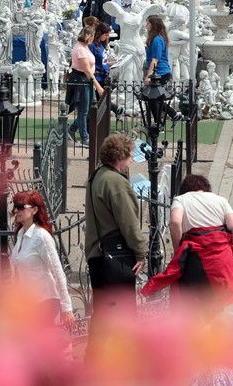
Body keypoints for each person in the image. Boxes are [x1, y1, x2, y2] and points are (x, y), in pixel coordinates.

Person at [84, 134, 147, 355]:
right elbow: (128, 222)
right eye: (130, 156)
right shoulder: (116, 182)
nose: (131, 160)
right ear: (120, 156)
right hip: (115, 258)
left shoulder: (95, 177)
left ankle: (94, 362)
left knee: (101, 314)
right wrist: (141, 252)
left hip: (97, 254)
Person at [142, 174, 233, 311]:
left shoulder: (181, 199)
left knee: (193, 307)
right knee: (215, 307)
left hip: (196, 261)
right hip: (220, 261)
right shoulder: (221, 201)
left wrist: (178, 248)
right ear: (206, 188)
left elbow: (176, 221)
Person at [10, 189, 74, 328]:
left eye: (21, 207)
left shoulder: (42, 237)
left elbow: (58, 272)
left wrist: (66, 307)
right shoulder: (21, 234)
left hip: (45, 302)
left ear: (34, 210)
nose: (16, 210)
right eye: (15, 206)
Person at [67, 26, 103, 147]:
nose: (93, 39)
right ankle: (84, 138)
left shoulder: (85, 47)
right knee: (83, 111)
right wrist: (98, 86)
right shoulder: (80, 49)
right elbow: (87, 71)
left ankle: (72, 129)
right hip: (82, 81)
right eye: (92, 36)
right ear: (90, 36)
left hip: (87, 81)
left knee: (90, 110)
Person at [90, 22, 124, 119]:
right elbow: (92, 62)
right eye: (106, 35)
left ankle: (116, 110)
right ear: (99, 33)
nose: (107, 37)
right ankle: (117, 109)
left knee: (102, 100)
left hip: (104, 76)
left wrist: (110, 64)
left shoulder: (102, 45)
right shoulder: (92, 46)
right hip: (96, 77)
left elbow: (102, 61)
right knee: (100, 100)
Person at [144, 15, 171, 85]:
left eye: (148, 24)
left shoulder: (157, 40)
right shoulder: (158, 38)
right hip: (160, 72)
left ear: (153, 25)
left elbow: (155, 59)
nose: (146, 26)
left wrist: (148, 76)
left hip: (160, 72)